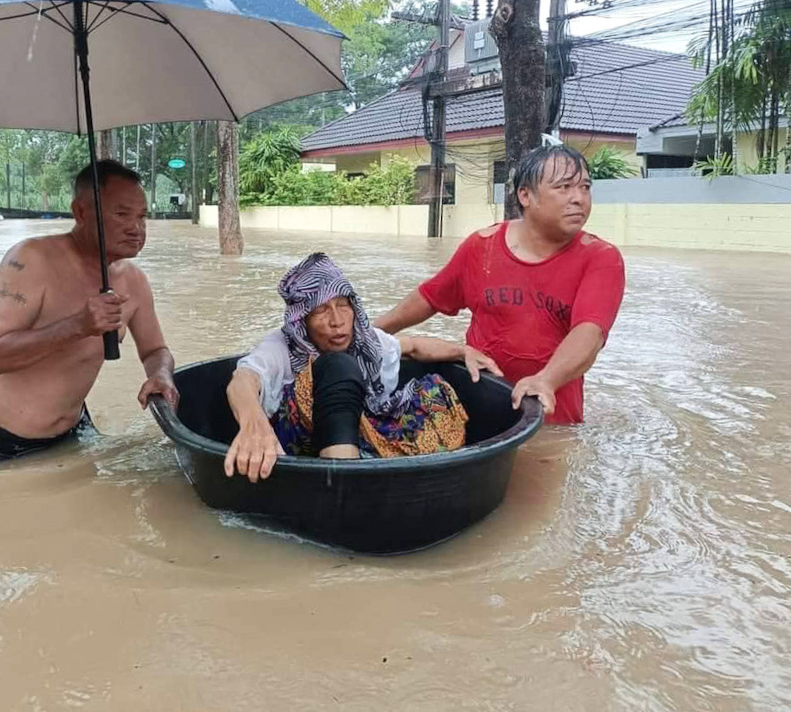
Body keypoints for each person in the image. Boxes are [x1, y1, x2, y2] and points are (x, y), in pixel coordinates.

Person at [0, 160, 178, 471]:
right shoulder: (30, 260)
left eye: (142, 216)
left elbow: (155, 351)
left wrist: (161, 375)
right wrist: (78, 326)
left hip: (71, 428)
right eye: (122, 214)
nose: (136, 228)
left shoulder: (133, 281)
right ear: (81, 212)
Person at [375, 144, 626, 425]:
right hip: (477, 401)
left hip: (549, 412)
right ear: (526, 195)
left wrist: (546, 380)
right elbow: (430, 297)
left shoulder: (601, 258)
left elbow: (589, 334)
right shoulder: (482, 246)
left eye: (585, 187)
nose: (579, 198)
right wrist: (369, 333)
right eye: (564, 187)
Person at [224, 252, 503, 483]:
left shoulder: (364, 340)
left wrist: (463, 351)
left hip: (354, 428)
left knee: (434, 390)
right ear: (303, 321)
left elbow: (414, 346)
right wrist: (253, 423)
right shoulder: (282, 346)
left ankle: (381, 469)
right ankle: (343, 483)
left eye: (343, 305)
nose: (337, 320)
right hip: (299, 445)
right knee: (336, 365)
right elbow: (242, 379)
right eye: (321, 311)